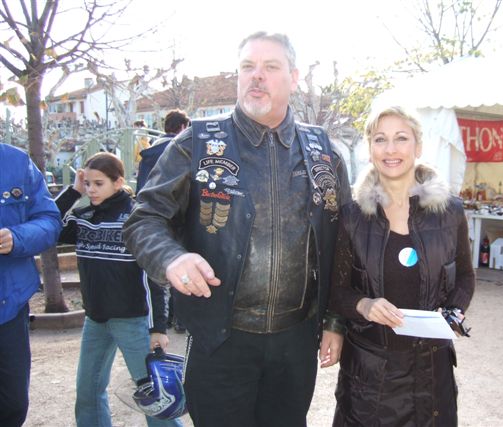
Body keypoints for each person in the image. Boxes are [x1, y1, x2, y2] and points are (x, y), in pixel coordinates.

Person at [123, 31, 351, 426]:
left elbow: (343, 243)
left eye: (270, 67)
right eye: (248, 67)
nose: (256, 76)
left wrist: (335, 321)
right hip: (221, 341)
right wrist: (171, 258)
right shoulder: (195, 143)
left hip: (295, 342)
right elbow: (144, 219)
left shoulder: (324, 152)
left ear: (294, 78)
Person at [329, 106, 475, 426]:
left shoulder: (450, 212)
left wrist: (454, 312)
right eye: (380, 139)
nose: (391, 149)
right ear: (370, 149)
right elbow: (336, 290)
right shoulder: (352, 217)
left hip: (432, 375)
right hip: (370, 379)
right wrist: (364, 305)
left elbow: (465, 276)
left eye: (401, 138)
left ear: (418, 146)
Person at [54, 152, 181, 426]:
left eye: (98, 183)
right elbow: (51, 224)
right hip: (95, 320)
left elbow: (153, 279)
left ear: (118, 182)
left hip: (132, 321)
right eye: (88, 183)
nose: (91, 189)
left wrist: (157, 328)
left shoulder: (136, 218)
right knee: (87, 392)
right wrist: (73, 192)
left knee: (155, 396)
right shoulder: (83, 217)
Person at [0, 143, 62, 427]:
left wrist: (17, 237)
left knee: (12, 403)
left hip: (8, 306)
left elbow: (49, 220)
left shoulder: (16, 162)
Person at [136, 109, 191, 334]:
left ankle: (164, 318)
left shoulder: (149, 151)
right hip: (180, 216)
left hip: (155, 218)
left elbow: (142, 190)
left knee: (160, 268)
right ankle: (180, 317)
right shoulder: (183, 148)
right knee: (182, 263)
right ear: (182, 127)